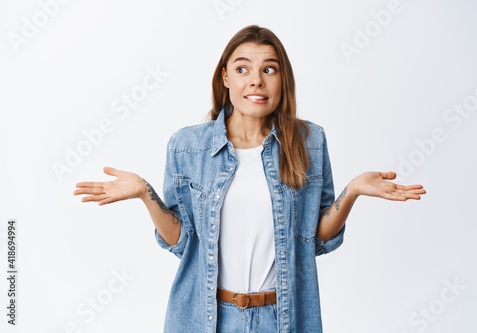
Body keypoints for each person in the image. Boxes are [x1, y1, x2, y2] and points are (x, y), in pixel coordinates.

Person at [74, 25, 426, 333]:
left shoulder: (309, 141)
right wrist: (144, 193)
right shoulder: (187, 147)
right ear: (226, 77)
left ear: (281, 79)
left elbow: (315, 239)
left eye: (268, 69)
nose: (256, 80)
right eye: (243, 69)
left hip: (283, 318)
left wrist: (353, 192)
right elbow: (182, 243)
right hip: (208, 319)